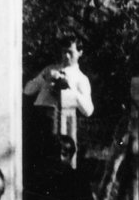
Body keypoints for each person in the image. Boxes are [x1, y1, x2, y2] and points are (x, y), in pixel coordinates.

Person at [23, 34, 94, 167]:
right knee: (34, 160)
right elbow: (27, 90)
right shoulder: (50, 69)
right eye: (63, 52)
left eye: (70, 52)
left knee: (56, 163)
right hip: (38, 119)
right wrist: (44, 77)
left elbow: (88, 111)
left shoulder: (81, 78)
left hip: (60, 123)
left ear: (80, 53)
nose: (66, 56)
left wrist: (70, 89)